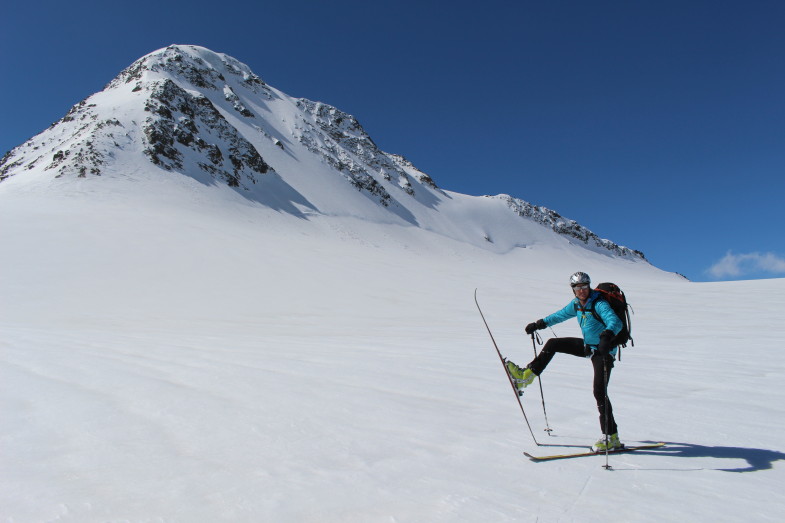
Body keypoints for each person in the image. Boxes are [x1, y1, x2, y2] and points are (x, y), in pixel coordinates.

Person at [505, 271, 624, 452]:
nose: (581, 291)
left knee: (599, 392)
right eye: (577, 288)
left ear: (589, 286)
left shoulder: (599, 303)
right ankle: (526, 376)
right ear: (573, 289)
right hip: (588, 347)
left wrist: (607, 335)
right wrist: (539, 324)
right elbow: (559, 315)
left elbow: (615, 322)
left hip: (603, 352)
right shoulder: (576, 304)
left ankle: (611, 437)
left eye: (584, 287)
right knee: (553, 344)